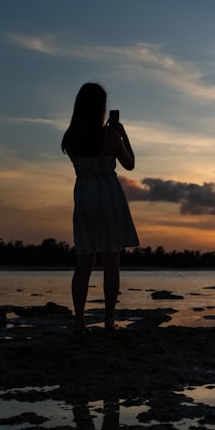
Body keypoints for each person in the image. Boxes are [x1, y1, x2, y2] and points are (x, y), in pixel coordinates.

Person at [62, 82, 139, 332]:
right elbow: (130, 164)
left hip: (84, 195)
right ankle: (108, 319)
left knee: (84, 261)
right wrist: (122, 133)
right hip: (108, 196)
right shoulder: (110, 136)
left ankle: (79, 320)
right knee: (111, 261)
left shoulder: (71, 137)